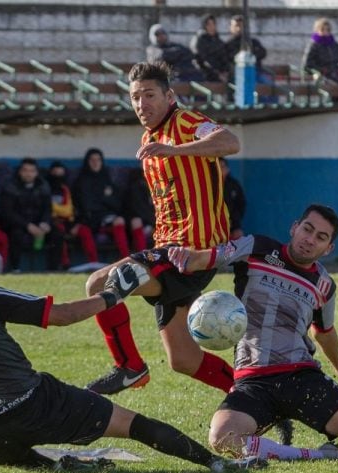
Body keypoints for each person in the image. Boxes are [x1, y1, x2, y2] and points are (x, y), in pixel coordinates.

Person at [0, 234, 263, 473]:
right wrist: (111, 296)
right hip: (38, 405)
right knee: (136, 425)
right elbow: (61, 316)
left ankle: (60, 463)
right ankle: (218, 463)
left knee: (12, 452)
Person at [166, 205, 338, 462]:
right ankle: (320, 455)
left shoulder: (324, 285)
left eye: (320, 238)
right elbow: (208, 257)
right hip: (253, 380)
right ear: (295, 228)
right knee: (223, 438)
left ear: (328, 249)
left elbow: (324, 332)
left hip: (302, 378)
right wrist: (184, 256)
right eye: (307, 229)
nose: (309, 240)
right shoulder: (257, 247)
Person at [83, 61, 238, 399]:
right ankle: (250, 393)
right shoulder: (148, 138)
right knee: (182, 358)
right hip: (167, 251)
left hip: (192, 254)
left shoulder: (185, 122)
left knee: (99, 282)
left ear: (169, 96)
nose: (141, 104)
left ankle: (130, 368)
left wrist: (175, 150)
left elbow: (229, 142)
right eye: (135, 97)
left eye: (149, 95)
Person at [70, 148, 131, 264]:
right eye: (92, 160)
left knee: (119, 221)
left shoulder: (107, 179)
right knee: (83, 229)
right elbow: (83, 204)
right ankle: (94, 263)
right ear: (87, 162)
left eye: (98, 160)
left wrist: (102, 199)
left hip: (105, 218)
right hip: (87, 218)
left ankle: (126, 260)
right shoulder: (81, 182)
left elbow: (116, 204)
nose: (95, 163)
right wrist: (104, 197)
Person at [0, 157, 59, 273]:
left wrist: (45, 222)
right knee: (16, 234)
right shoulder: (11, 186)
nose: (28, 174)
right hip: (19, 224)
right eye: (25, 170)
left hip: (39, 224)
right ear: (20, 172)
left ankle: (54, 269)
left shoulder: (43, 186)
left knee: (57, 234)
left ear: (36, 172)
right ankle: (15, 269)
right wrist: (28, 226)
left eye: (32, 171)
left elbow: (48, 208)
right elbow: (8, 213)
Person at [302, 18, 338, 102]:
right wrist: (320, 70)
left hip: (336, 74)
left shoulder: (334, 44)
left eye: (328, 30)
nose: (325, 32)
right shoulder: (314, 45)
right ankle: (332, 107)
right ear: (317, 30)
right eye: (322, 29)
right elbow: (307, 65)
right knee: (334, 89)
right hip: (323, 75)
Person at [45, 161, 75, 270]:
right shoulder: (45, 187)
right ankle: (58, 265)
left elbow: (68, 211)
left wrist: (54, 208)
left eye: (60, 174)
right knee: (57, 230)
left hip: (65, 222)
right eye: (55, 174)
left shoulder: (65, 189)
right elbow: (45, 206)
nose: (58, 177)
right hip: (47, 221)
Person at [224, 14, 269, 86]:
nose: (239, 29)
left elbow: (263, 52)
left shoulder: (252, 41)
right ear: (231, 28)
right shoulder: (228, 44)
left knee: (269, 86)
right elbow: (231, 58)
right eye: (236, 26)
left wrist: (252, 57)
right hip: (239, 75)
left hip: (256, 72)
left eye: (241, 26)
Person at [189, 14, 230, 83]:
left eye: (213, 24)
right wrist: (217, 74)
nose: (211, 27)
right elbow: (201, 59)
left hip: (220, 75)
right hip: (204, 75)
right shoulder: (199, 40)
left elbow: (224, 57)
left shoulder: (218, 41)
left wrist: (225, 71)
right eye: (209, 24)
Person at [123, 167, 154, 253]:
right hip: (143, 221)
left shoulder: (160, 184)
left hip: (154, 221)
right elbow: (138, 209)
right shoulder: (136, 186)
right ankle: (142, 256)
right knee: (136, 221)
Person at [219, 158, 247, 239]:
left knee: (239, 237)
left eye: (223, 167)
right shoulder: (210, 185)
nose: (221, 169)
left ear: (227, 169)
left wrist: (235, 221)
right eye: (218, 167)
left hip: (233, 224)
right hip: (215, 225)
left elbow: (241, 204)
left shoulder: (234, 184)